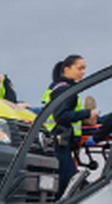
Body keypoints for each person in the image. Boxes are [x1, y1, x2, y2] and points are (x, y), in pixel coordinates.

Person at [42, 55, 112, 196]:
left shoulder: (60, 88)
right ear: (67, 69)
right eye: (79, 68)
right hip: (60, 141)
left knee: (68, 182)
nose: (83, 72)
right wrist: (86, 114)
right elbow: (61, 116)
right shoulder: (64, 91)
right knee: (68, 184)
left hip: (59, 140)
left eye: (84, 69)